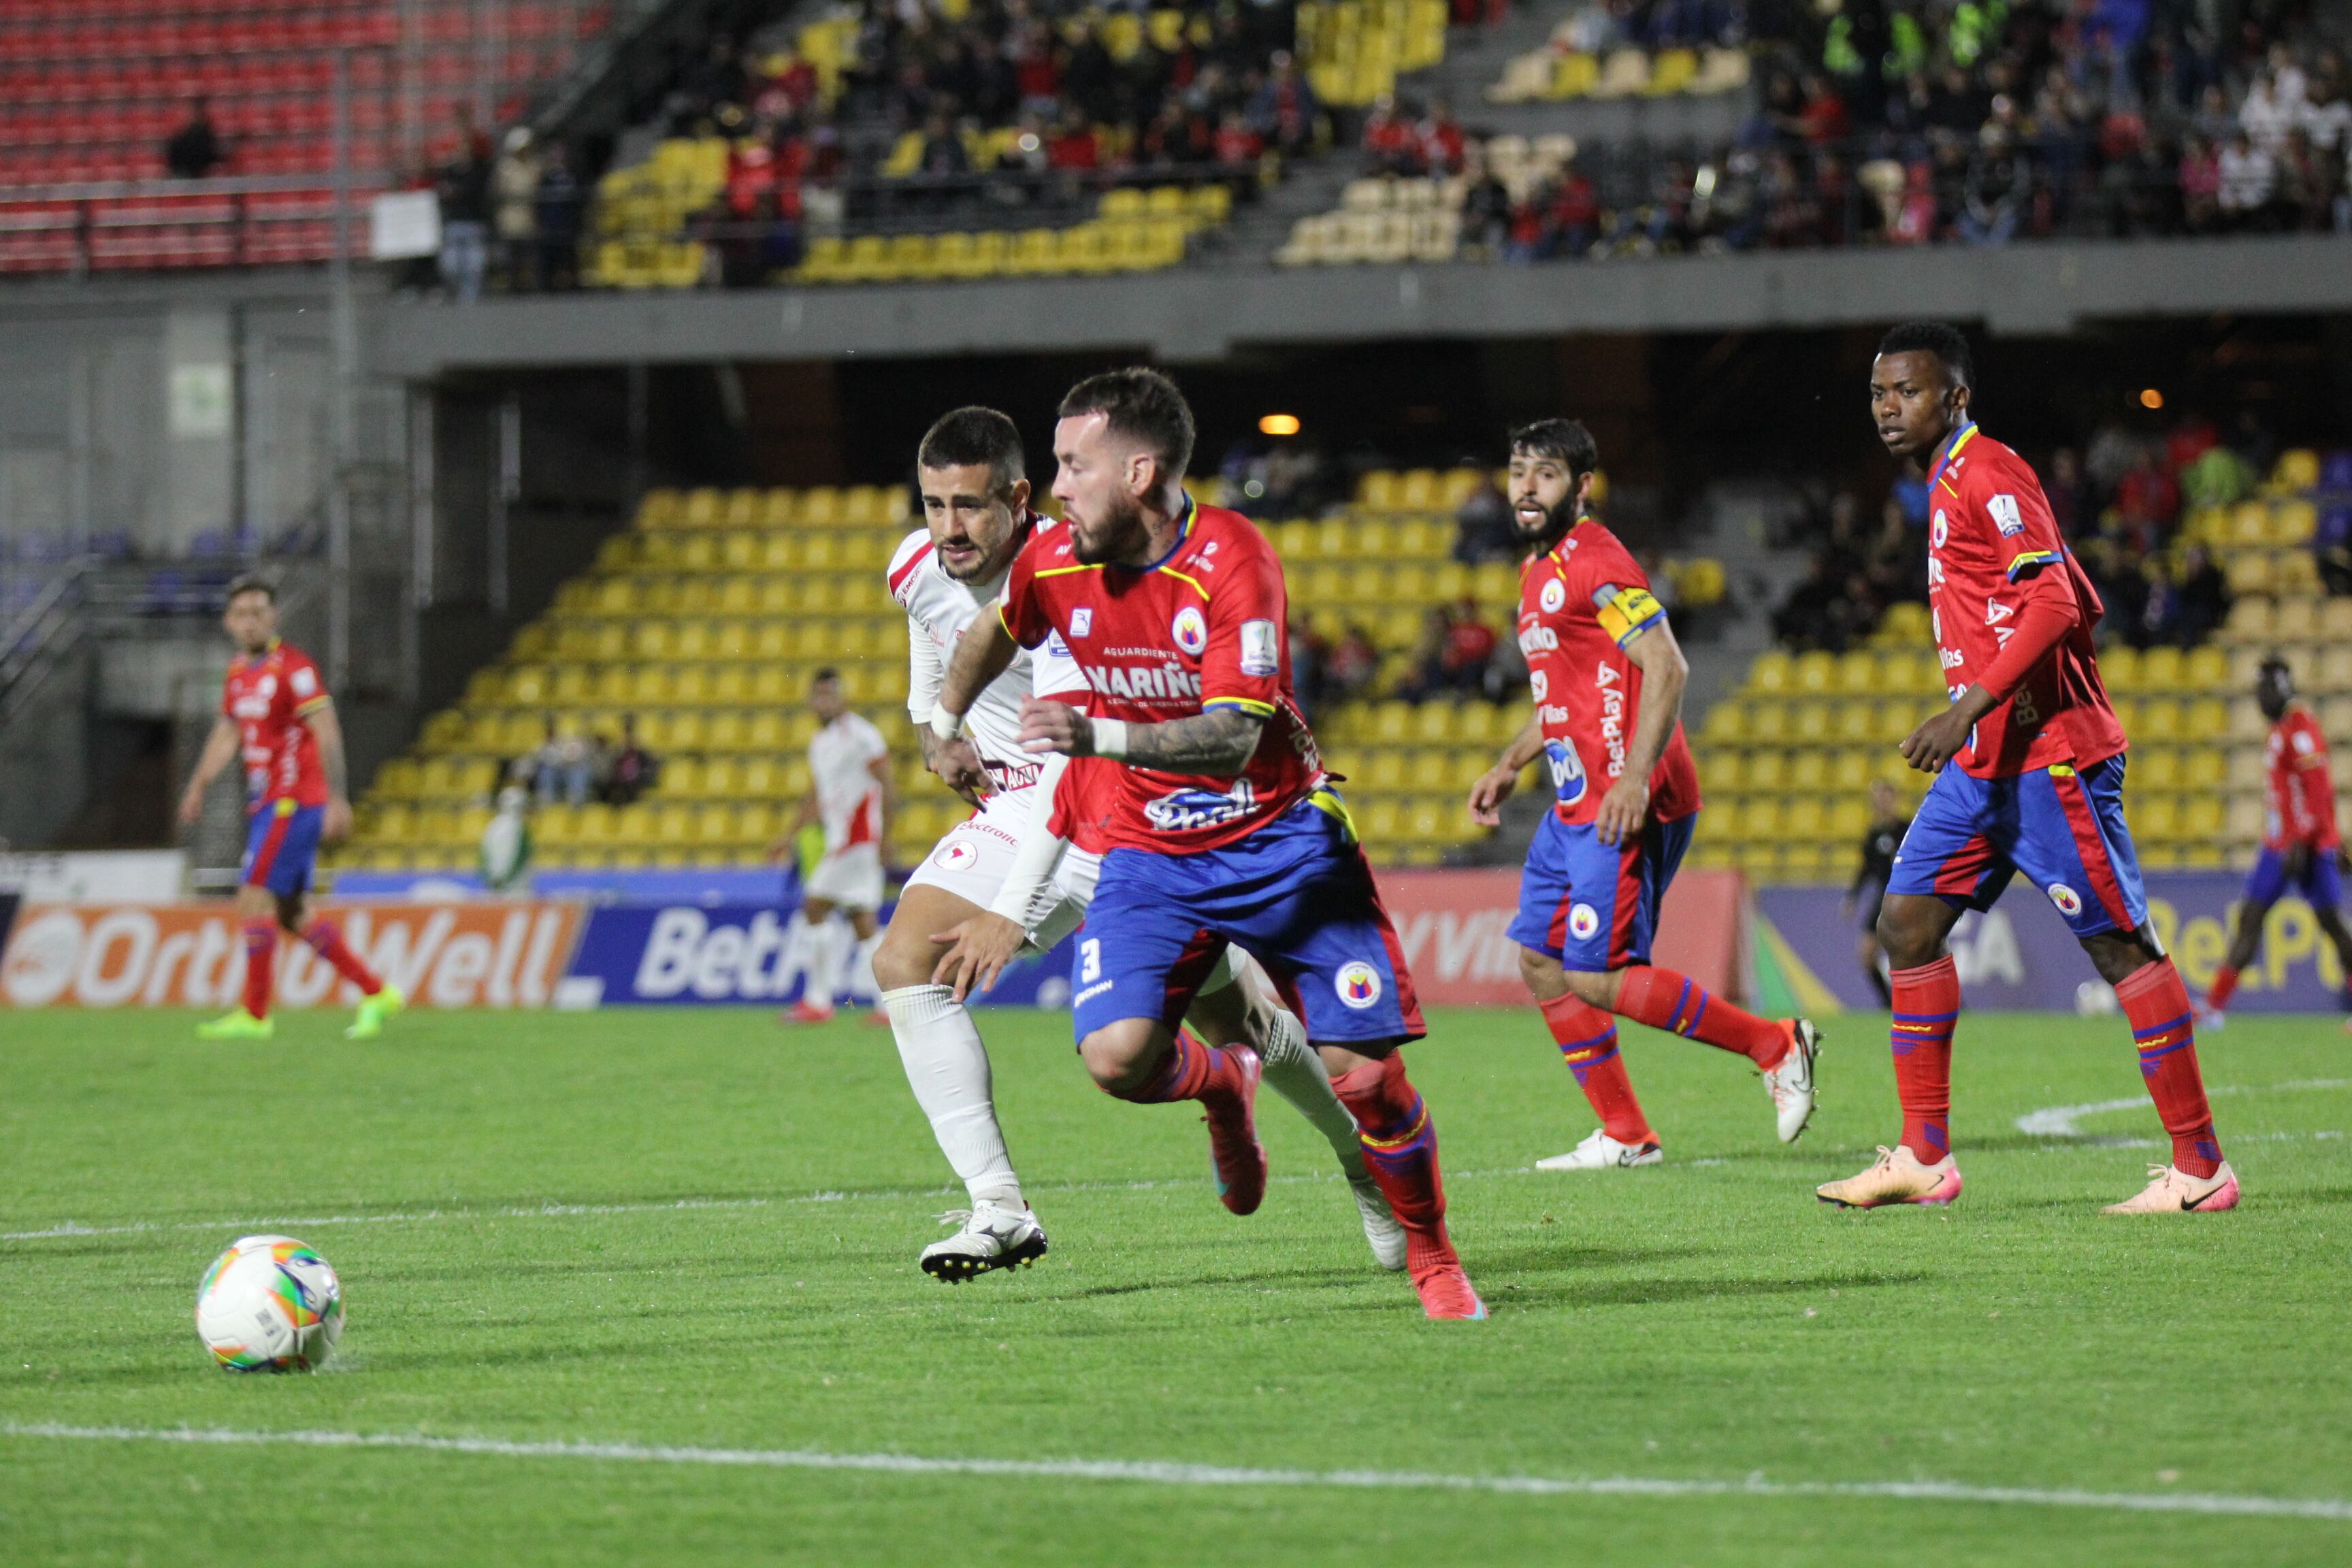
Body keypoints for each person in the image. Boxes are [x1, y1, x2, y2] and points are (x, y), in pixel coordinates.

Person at [928, 369, 1482, 1320]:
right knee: (1116, 1059)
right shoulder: (1054, 561)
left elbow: (1231, 734)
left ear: (1140, 472)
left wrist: (1098, 736)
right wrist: (943, 717)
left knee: (1368, 1078)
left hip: (1281, 839)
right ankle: (1225, 1085)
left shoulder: (1232, 559)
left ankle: (1434, 1254)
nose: (1058, 489)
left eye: (1074, 466)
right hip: (1152, 857)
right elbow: (992, 630)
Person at [1818, 322, 2236, 1215]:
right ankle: (1925, 1157)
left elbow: (2050, 599)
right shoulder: (1942, 485)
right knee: (1907, 923)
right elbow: (2075, 590)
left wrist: (1967, 705)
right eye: (1879, 394)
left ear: (1956, 399)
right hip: (1984, 768)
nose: (1891, 409)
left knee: (2120, 947)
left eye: (1911, 392)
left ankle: (2202, 1169)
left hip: (2048, 759)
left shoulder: (1988, 471)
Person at [1467, 419, 1820, 1173]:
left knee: (1596, 974)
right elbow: (1564, 698)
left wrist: (1632, 777)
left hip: (1627, 797)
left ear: (1583, 486)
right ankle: (1626, 1133)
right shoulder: (1540, 572)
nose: (1527, 487)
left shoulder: (1597, 559)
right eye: (1518, 471)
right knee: (1540, 960)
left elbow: (1667, 667)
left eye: (1547, 474)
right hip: (1573, 800)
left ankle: (1776, 1044)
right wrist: (1510, 761)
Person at [176, 576, 402, 1041]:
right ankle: (376, 991)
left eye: (259, 612)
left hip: (293, 799)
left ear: (274, 617)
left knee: (253, 895)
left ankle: (255, 1015)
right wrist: (198, 784)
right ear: (228, 622)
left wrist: (338, 796)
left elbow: (327, 728)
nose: (250, 621)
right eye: (241, 614)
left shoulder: (294, 668)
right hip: (266, 803)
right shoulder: (239, 673)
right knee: (290, 912)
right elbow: (228, 732)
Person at [2200, 657, 2352, 1028]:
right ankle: (2214, 1008)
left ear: (2277, 689)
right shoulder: (2282, 728)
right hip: (2279, 844)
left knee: (2332, 923)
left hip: (2308, 847)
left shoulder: (2301, 727)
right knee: (2250, 916)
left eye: (2262, 689)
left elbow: (2318, 791)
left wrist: (2303, 842)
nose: (2258, 698)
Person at [773, 669, 892, 1024]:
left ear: (842, 698)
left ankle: (818, 1002)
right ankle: (891, 1005)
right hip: (840, 840)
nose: (821, 702)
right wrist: (789, 835)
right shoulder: (820, 742)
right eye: (817, 696)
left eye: (828, 695)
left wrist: (888, 836)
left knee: (814, 908)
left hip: (858, 840)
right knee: (863, 922)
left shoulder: (862, 736)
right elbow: (817, 795)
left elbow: (888, 785)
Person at [1846, 779, 1909, 1007]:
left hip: (1907, 898)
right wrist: (1853, 897)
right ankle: (1888, 1005)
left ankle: (1952, 1004)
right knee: (1867, 954)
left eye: (1886, 797)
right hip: (1883, 899)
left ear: (1895, 799)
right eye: (1878, 798)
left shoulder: (1907, 829)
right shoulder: (1873, 836)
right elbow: (1866, 869)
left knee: (1915, 955)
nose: (1882, 803)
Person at [480, 785, 533, 891]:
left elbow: (483, 855)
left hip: (494, 882)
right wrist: (505, 879)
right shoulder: (520, 828)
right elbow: (521, 856)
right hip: (516, 885)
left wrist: (489, 878)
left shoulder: (492, 826)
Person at [164, 97, 227, 179]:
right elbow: (174, 156)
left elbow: (213, 155)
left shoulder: (208, 135)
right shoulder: (182, 138)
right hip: (184, 173)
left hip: (204, 175)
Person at [604, 714, 658, 804]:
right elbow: (614, 756)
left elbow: (646, 756)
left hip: (634, 775)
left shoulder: (638, 740)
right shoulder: (619, 740)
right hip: (621, 775)